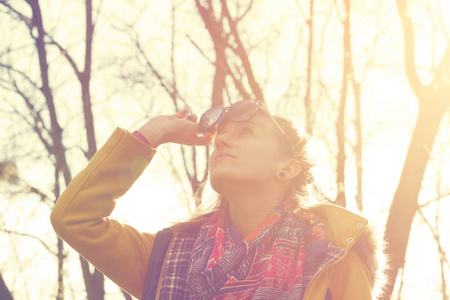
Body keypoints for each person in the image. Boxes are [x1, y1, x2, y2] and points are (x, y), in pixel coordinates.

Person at [51, 99, 387, 299]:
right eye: (220, 137)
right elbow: (74, 218)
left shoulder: (331, 257)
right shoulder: (165, 258)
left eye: (245, 132)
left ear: (287, 168)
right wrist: (152, 135)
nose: (222, 142)